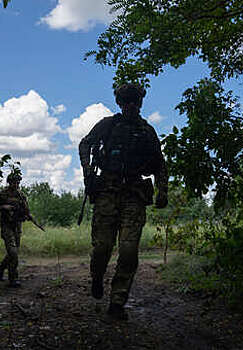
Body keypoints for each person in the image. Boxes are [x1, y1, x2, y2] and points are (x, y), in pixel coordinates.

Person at [79, 83, 168, 320]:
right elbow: (85, 143)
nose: (130, 105)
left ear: (140, 103)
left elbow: (159, 163)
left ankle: (117, 301)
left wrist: (162, 191)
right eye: (126, 101)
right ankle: (97, 277)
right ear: (120, 103)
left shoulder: (147, 131)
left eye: (134, 101)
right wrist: (88, 173)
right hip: (107, 192)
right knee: (102, 248)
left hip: (134, 196)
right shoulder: (108, 125)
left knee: (128, 251)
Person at [0, 170, 30, 288]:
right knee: (13, 253)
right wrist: (4, 207)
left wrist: (26, 216)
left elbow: (26, 210)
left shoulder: (21, 195)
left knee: (13, 253)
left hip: (17, 227)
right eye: (14, 182)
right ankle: (13, 279)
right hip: (6, 226)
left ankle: (1, 268)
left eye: (18, 182)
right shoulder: (2, 195)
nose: (16, 185)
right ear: (9, 182)